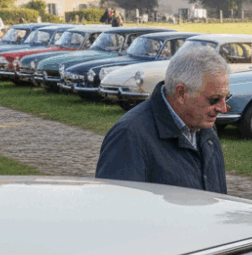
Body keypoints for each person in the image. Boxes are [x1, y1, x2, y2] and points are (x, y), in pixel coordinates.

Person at [95, 45, 229, 193]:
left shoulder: (203, 126)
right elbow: (118, 208)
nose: (223, 108)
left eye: (226, 98)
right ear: (181, 93)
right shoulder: (129, 136)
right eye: (214, 99)